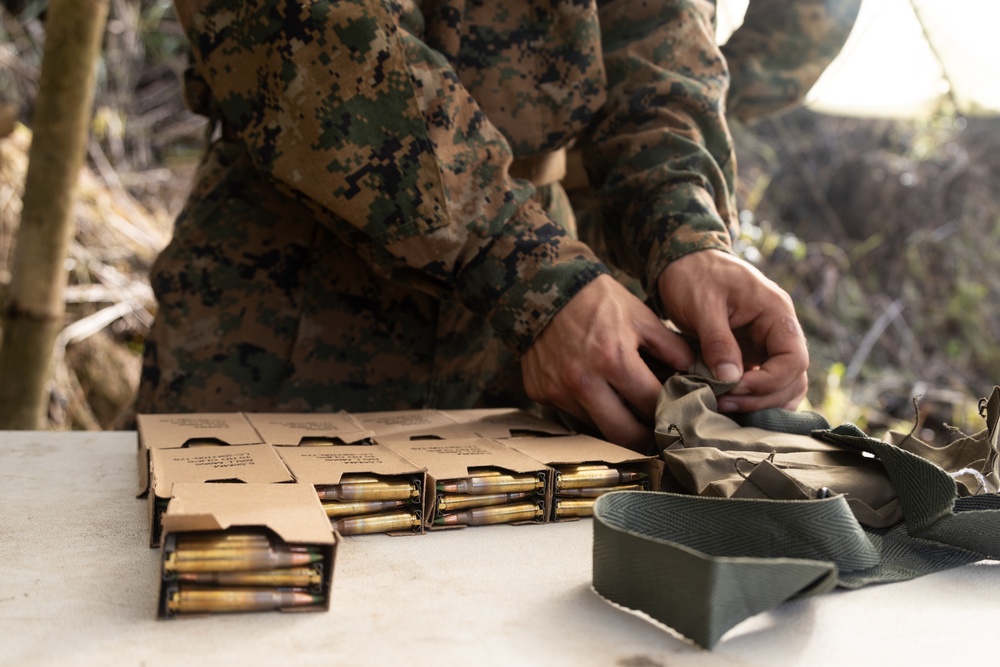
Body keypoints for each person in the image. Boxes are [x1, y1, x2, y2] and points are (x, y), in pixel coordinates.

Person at [137, 0, 857, 451]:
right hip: (287, 313)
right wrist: (534, 275)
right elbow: (300, 35)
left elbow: (656, 37)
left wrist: (685, 234)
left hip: (545, 334)